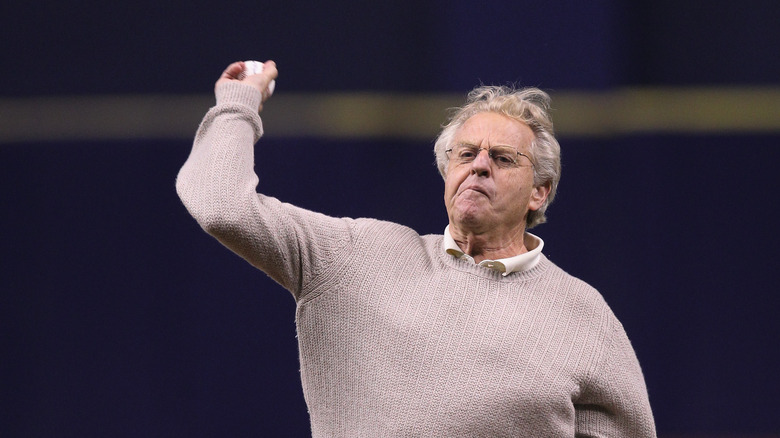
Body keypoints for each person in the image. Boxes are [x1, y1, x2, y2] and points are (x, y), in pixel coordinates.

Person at [176, 60, 656, 437]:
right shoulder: (354, 256)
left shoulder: (583, 316)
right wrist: (238, 106)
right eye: (465, 154)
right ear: (447, 171)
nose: (479, 166)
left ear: (540, 192)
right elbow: (221, 206)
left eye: (503, 158)